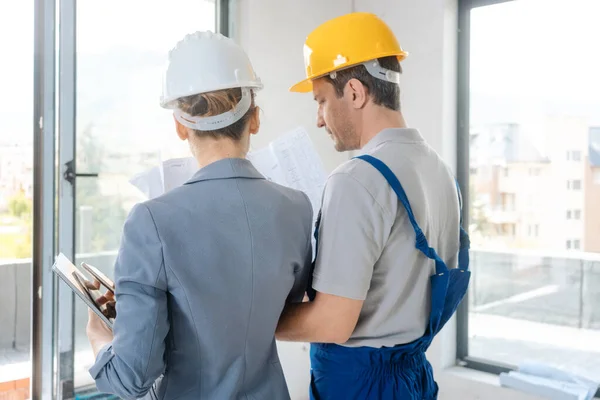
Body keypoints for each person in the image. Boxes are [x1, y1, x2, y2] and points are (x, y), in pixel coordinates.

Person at [85, 31, 314, 400]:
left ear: (180, 126)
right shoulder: (298, 207)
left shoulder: (151, 221)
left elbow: (131, 378)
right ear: (254, 119)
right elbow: (286, 306)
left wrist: (100, 338)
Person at [276, 12, 471, 399]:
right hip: (413, 377)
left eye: (320, 101)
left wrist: (250, 321)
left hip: (360, 385)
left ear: (354, 92)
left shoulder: (356, 180)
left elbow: (333, 323)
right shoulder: (440, 171)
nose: (319, 119)